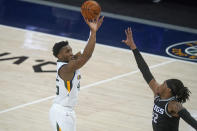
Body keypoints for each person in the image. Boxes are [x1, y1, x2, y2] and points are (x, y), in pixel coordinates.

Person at [122, 27, 197, 131]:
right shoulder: (158, 94)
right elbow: (145, 70)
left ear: (169, 90)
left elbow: (191, 121)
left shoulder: (173, 105)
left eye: (163, 84)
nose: (159, 85)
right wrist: (133, 47)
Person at [49, 16, 104, 131]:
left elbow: (85, 51)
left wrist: (92, 33)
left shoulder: (69, 60)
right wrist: (93, 32)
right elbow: (87, 56)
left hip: (68, 112)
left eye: (71, 50)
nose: (71, 53)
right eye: (67, 51)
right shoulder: (66, 69)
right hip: (61, 113)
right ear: (59, 56)